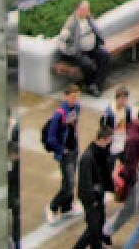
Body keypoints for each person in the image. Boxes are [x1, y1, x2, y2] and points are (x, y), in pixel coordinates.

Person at [41, 83, 82, 225]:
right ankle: (52, 207)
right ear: (65, 97)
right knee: (70, 183)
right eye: (72, 97)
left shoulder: (77, 108)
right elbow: (51, 137)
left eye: (77, 97)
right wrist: (61, 150)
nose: (75, 100)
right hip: (65, 153)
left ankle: (67, 207)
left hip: (74, 149)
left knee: (68, 181)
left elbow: (74, 128)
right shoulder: (59, 114)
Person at [73, 122, 117, 248]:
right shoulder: (88, 157)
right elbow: (85, 183)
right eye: (109, 140)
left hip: (98, 194)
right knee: (93, 228)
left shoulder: (102, 151)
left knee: (99, 223)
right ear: (104, 139)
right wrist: (93, 200)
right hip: (91, 198)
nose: (110, 143)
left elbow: (104, 172)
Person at [59, 0, 111, 96]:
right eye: (85, 9)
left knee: (105, 56)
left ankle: (97, 85)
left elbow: (96, 30)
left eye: (88, 9)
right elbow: (62, 39)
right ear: (77, 10)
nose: (87, 11)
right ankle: (90, 84)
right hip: (78, 52)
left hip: (92, 48)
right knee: (87, 64)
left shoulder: (88, 18)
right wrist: (68, 51)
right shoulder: (71, 23)